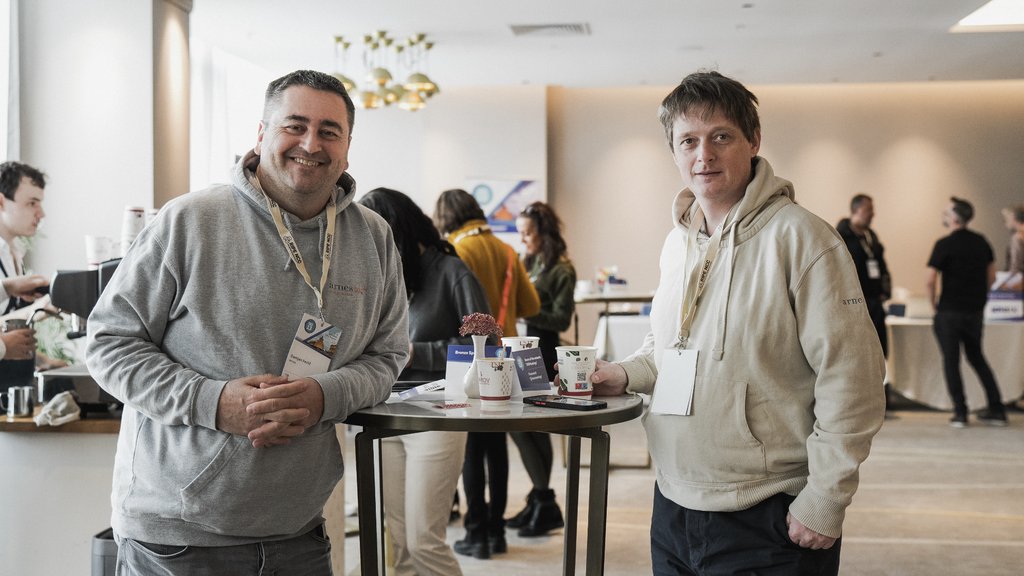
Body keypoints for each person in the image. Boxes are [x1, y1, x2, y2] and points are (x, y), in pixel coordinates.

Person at [85, 70, 409, 575]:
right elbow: (109, 343)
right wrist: (213, 403)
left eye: (329, 131)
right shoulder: (189, 220)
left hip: (299, 533)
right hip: (178, 539)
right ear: (261, 134)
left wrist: (327, 394)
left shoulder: (373, 237)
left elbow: (388, 356)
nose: (310, 143)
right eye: (294, 125)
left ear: (347, 146)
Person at [587, 71, 886, 575]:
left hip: (768, 514)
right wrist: (622, 373)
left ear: (753, 141)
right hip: (674, 503)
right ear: (674, 151)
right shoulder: (677, 243)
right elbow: (667, 350)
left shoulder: (803, 239)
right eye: (688, 141)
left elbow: (852, 377)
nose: (704, 156)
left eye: (720, 137)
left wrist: (826, 498)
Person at [359, 187, 490, 576]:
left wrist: (419, 352)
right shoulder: (389, 274)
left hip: (438, 416)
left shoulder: (452, 272)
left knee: (423, 541)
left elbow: (488, 347)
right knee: (397, 544)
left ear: (396, 230)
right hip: (386, 412)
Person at [433, 188, 540, 559]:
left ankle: (476, 532)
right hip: (504, 360)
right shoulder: (507, 250)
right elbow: (532, 304)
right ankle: (496, 531)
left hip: (470, 360)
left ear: (446, 218)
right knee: (497, 446)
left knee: (471, 449)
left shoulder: (456, 251)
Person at [506, 201, 575, 537]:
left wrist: (525, 310)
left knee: (534, 425)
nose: (523, 240)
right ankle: (540, 498)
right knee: (520, 427)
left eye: (527, 233)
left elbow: (560, 319)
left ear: (543, 233)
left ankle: (545, 501)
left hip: (543, 353)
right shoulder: (527, 261)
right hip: (523, 350)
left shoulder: (562, 269)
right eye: (519, 233)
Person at [925, 197, 1007, 428]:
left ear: (954, 217)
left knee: (951, 361)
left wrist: (933, 307)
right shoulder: (981, 242)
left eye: (946, 211)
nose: (943, 214)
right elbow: (991, 276)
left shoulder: (944, 244)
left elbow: (930, 280)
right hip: (974, 311)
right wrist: (980, 299)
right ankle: (997, 408)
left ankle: (960, 413)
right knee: (977, 357)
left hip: (949, 311)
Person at [0, 161, 59, 385]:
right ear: (1, 202)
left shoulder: (14, 253)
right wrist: (35, 310)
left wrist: (44, 361)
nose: (41, 213)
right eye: (32, 203)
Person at [836, 194, 891, 356]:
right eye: (869, 209)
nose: (873, 214)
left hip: (874, 301)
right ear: (856, 210)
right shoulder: (841, 237)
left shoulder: (871, 237)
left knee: (878, 348)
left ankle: (881, 380)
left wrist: (885, 290)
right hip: (853, 303)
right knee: (858, 349)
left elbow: (881, 265)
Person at [995, 204, 1023, 290]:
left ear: (1014, 218)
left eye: (1006, 219)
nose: (1005, 223)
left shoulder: (1017, 238)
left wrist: (1002, 285)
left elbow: (1015, 266)